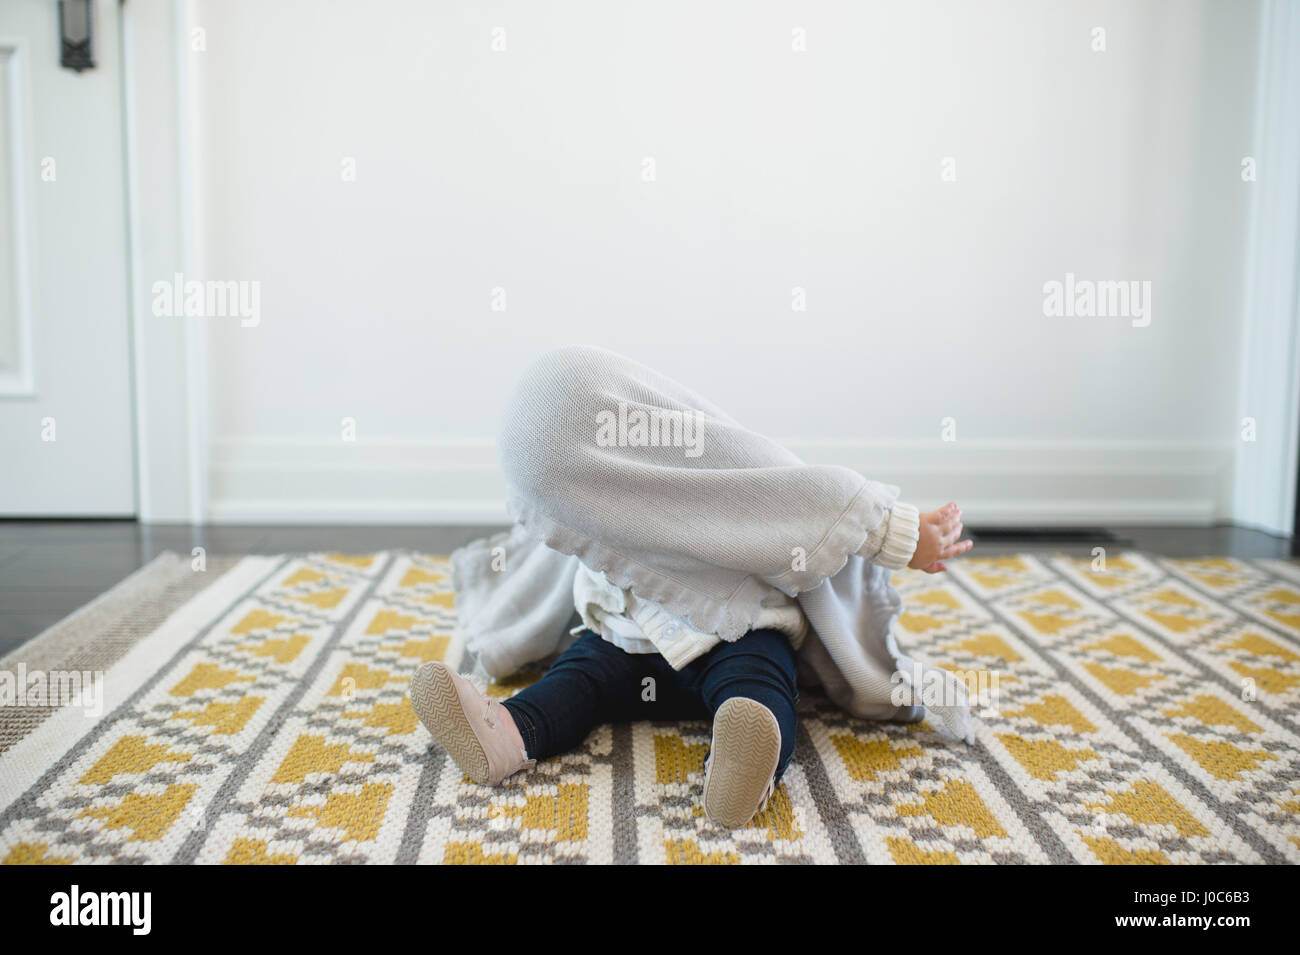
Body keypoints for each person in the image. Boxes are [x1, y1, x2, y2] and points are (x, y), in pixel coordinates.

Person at [409, 345, 973, 828]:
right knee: (575, 679)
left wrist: (906, 536)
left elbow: (812, 496)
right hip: (621, 645)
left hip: (737, 630)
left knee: (759, 679)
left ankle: (746, 757)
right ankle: (508, 731)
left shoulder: (703, 457)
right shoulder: (587, 506)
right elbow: (548, 561)